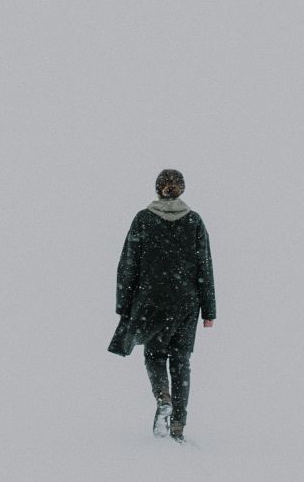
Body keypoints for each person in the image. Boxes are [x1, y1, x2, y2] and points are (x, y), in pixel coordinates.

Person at [108, 169, 216, 443]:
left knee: (155, 356)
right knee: (181, 361)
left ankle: (162, 397)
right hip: (186, 303)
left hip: (151, 300)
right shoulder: (194, 221)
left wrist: (124, 304)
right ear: (182, 190)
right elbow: (205, 265)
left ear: (158, 189)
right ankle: (179, 424)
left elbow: (128, 263)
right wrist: (209, 310)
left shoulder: (143, 219)